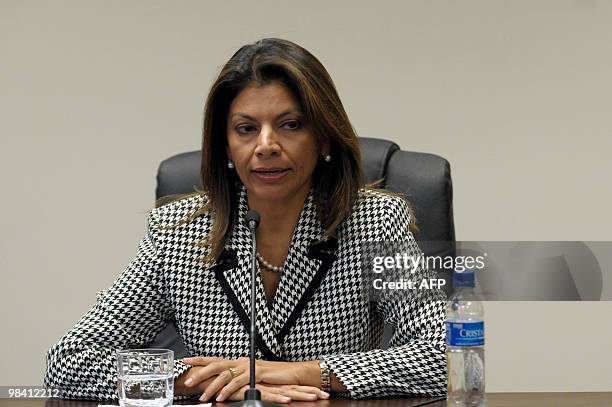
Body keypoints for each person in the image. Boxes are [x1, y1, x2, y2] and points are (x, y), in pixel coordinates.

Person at [44, 38, 446, 403]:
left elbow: (442, 352)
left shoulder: (374, 222)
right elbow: (69, 362)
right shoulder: (178, 232)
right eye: (246, 129)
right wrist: (200, 379)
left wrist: (311, 373)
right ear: (227, 145)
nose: (266, 145)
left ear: (323, 138)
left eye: (290, 125)